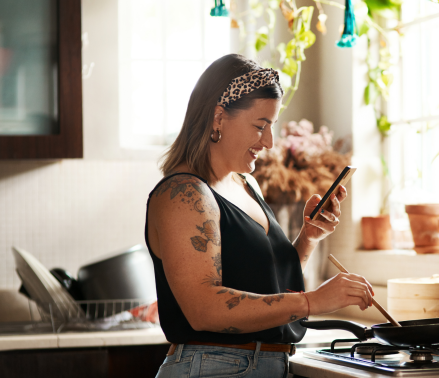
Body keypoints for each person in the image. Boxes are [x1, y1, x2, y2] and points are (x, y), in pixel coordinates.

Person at [145, 54, 374, 378]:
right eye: (260, 126)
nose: (268, 142)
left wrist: (307, 239)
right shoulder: (183, 194)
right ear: (218, 118)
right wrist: (311, 302)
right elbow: (204, 310)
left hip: (265, 365)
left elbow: (265, 287)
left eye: (272, 126)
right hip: (211, 368)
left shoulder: (246, 184)